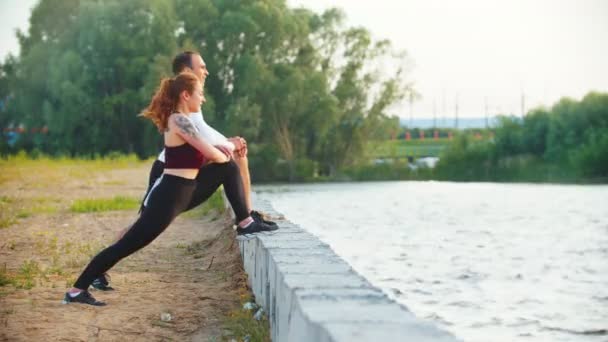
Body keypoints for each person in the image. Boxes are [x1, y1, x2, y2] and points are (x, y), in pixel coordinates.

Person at [63, 73, 278, 306]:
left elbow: (210, 156)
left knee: (227, 169)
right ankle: (77, 290)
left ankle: (245, 222)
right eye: (200, 94)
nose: (203, 99)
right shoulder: (178, 121)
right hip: (169, 196)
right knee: (126, 245)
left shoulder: (186, 121)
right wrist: (229, 146)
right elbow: (211, 153)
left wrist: (223, 150)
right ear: (186, 95)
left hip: (188, 190)